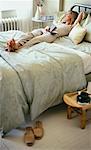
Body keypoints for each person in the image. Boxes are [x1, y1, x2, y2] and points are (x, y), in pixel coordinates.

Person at [6, 10, 83, 52]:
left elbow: (78, 18)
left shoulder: (70, 26)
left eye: (67, 15)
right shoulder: (60, 22)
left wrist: (81, 13)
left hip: (52, 35)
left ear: (70, 17)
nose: (65, 16)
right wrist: (47, 27)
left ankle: (18, 47)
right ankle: (17, 43)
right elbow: (52, 25)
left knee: (36, 39)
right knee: (31, 33)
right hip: (46, 30)